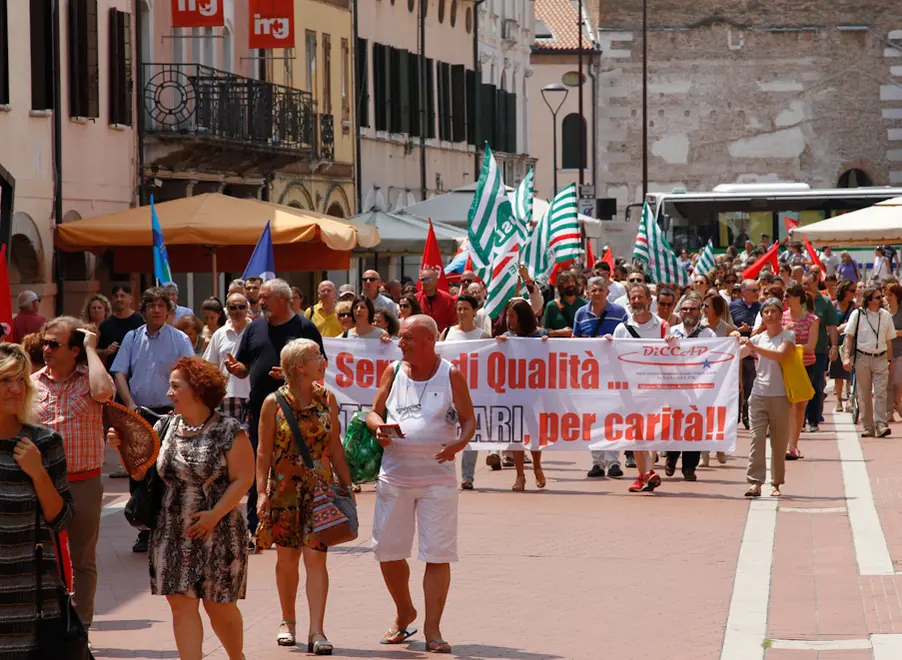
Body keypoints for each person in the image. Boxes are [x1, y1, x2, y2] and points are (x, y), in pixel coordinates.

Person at [108, 357, 254, 660]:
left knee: (220, 608)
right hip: (172, 531)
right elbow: (140, 474)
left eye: (176, 386)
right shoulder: (165, 426)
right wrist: (122, 448)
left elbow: (244, 479)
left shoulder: (229, 431)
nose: (169, 392)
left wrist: (215, 514)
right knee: (181, 605)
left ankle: (236, 657)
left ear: (198, 391)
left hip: (220, 531)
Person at [366, 316, 475, 654]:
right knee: (387, 552)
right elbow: (373, 412)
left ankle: (432, 627)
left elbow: (469, 420)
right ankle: (405, 611)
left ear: (429, 339)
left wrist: (458, 444)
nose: (401, 343)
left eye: (408, 338)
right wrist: (378, 428)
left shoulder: (451, 374)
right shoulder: (393, 371)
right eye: (401, 338)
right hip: (394, 476)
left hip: (437, 481)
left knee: (437, 553)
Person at [255, 339, 354, 653]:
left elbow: (335, 444)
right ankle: (288, 620)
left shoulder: (328, 399)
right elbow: (263, 451)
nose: (323, 360)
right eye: (317, 356)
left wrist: (346, 483)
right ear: (300, 367)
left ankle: (317, 631)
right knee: (287, 560)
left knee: (316, 558)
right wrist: (260, 492)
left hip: (320, 491)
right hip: (284, 491)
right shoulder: (273, 402)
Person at [225, 278, 325, 545]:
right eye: (260, 298)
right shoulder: (254, 328)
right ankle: (255, 526)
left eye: (265, 297)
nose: (260, 302)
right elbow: (246, 365)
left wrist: (293, 375)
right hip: (260, 411)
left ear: (284, 299)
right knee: (258, 465)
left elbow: (321, 367)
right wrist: (238, 370)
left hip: (297, 413)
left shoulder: (304, 327)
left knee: (292, 468)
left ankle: (297, 524)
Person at [32, 318, 114, 635]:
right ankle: (48, 624)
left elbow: (105, 392)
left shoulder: (90, 380)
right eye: (45, 342)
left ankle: (81, 629)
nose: (46, 348)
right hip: (40, 485)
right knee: (41, 557)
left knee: (82, 559)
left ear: (75, 349)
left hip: (83, 482)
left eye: (54, 344)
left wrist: (93, 350)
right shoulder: (33, 382)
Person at [0, 343, 75, 658]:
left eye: (20, 379)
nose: (15, 388)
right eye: (4, 380)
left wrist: (38, 474)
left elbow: (62, 519)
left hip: (30, 599)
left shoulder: (44, 442)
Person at [111, 287, 195, 552]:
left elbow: (191, 373)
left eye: (161, 306)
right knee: (139, 473)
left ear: (169, 310)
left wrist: (182, 406)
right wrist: (130, 404)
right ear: (143, 309)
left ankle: (173, 529)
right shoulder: (132, 337)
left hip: (171, 413)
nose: (156, 310)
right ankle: (144, 529)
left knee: (170, 470)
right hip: (139, 414)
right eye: (151, 306)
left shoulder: (180, 338)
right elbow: (120, 373)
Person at [606, 283, 669, 492]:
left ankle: (647, 472)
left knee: (651, 432)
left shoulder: (662, 326)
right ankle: (645, 474)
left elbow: (673, 355)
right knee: (637, 433)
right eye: (632, 298)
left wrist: (672, 342)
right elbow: (614, 358)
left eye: (640, 297)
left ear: (649, 299)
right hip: (631, 389)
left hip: (657, 389)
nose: (636, 301)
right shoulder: (621, 329)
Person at [739, 298, 795, 497]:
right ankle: (755, 482)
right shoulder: (758, 338)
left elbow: (779, 355)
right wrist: (728, 342)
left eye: (773, 311)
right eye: (766, 312)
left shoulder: (788, 336)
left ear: (781, 315)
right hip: (759, 395)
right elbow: (737, 354)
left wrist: (753, 347)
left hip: (780, 396)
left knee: (779, 443)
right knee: (757, 438)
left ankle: (776, 483)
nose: (769, 315)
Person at [574, 277, 627, 479]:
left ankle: (613, 461)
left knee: (613, 418)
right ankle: (597, 462)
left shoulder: (620, 313)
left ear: (607, 292)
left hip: (614, 374)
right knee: (593, 419)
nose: (596, 293)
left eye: (600, 290)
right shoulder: (581, 314)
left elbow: (627, 339)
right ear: (587, 292)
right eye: (593, 289)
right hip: (590, 376)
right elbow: (575, 342)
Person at [496, 299, 548, 491]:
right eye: (508, 316)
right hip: (513, 392)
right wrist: (499, 345)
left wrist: (547, 345)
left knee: (535, 432)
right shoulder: (507, 337)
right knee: (515, 434)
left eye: (513, 316)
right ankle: (520, 475)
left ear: (523, 317)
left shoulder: (541, 335)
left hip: (535, 394)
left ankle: (537, 467)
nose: (509, 320)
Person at [665, 294, 716, 481]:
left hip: (698, 387)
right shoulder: (671, 331)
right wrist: (666, 344)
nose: (688, 312)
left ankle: (689, 467)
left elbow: (716, 356)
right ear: (680, 311)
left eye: (692, 309)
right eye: (685, 309)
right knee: (675, 423)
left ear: (699, 311)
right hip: (675, 387)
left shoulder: (708, 334)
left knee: (695, 425)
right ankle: (671, 457)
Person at [446, 295, 492, 489]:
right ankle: (445, 472)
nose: (461, 312)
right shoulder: (448, 333)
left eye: (465, 308)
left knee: (468, 432)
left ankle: (467, 476)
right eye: (459, 308)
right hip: (448, 390)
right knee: (445, 431)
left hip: (473, 391)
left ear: (474, 311)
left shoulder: (482, 336)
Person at [843, 286, 895, 437]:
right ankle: (868, 426)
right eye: (877, 297)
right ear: (868, 300)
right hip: (862, 358)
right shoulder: (857, 315)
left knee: (881, 393)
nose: (881, 300)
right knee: (864, 393)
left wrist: (890, 360)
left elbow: (889, 341)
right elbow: (849, 337)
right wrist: (846, 356)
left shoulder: (886, 316)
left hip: (881, 357)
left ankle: (881, 424)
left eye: (881, 297)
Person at [782, 285, 819, 459]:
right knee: (789, 406)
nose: (785, 299)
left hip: (805, 366)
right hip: (786, 366)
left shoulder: (812, 320)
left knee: (800, 407)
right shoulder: (781, 318)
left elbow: (811, 346)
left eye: (788, 295)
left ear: (798, 298)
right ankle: (787, 445)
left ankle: (794, 445)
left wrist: (791, 347)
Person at [203, 292, 252, 421]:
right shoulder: (219, 334)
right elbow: (210, 365)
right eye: (233, 307)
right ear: (227, 310)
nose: (238, 311)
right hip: (228, 395)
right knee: (230, 438)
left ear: (247, 308)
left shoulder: (257, 331)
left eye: (241, 307)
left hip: (253, 394)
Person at [802, 272, 839, 433]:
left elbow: (831, 326)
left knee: (816, 385)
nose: (804, 287)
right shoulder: (797, 300)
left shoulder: (825, 302)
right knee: (800, 386)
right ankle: (799, 420)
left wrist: (834, 346)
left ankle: (813, 420)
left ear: (816, 283)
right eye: (803, 283)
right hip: (798, 351)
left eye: (807, 283)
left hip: (818, 351)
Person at [730, 280, 762, 429]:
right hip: (736, 353)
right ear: (743, 292)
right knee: (736, 388)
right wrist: (739, 330)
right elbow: (728, 328)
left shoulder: (762, 308)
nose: (757, 293)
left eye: (758, 290)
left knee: (750, 387)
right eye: (754, 290)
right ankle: (734, 418)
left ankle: (747, 418)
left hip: (754, 353)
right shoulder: (733, 307)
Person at [97, 284, 144, 369]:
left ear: (130, 299)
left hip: (136, 371)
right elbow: (96, 350)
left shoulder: (140, 320)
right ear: (112, 299)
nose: (119, 299)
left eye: (122, 296)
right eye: (116, 296)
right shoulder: (105, 324)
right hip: (112, 373)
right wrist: (106, 351)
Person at [831, 281, 857, 412]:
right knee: (838, 373)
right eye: (852, 290)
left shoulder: (855, 307)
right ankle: (838, 400)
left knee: (850, 370)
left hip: (850, 342)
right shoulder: (833, 306)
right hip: (836, 342)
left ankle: (850, 399)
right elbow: (828, 325)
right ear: (844, 291)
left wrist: (847, 326)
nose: (854, 293)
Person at [542, 272, 586, 338]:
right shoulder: (552, 306)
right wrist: (560, 332)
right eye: (566, 282)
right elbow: (544, 331)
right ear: (561, 285)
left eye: (572, 281)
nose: (570, 284)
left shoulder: (585, 305)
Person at [415, 268, 457, 334]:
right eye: (423, 280)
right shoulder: (415, 299)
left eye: (428, 279)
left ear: (436, 281)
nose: (425, 282)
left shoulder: (447, 299)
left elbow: (454, 322)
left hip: (443, 340)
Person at [885, 284, 902, 420]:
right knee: (887, 383)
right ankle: (889, 410)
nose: (887, 297)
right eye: (886, 295)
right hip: (885, 353)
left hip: (900, 352)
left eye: (890, 295)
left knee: (897, 382)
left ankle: (897, 403)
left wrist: (896, 333)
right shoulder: (883, 312)